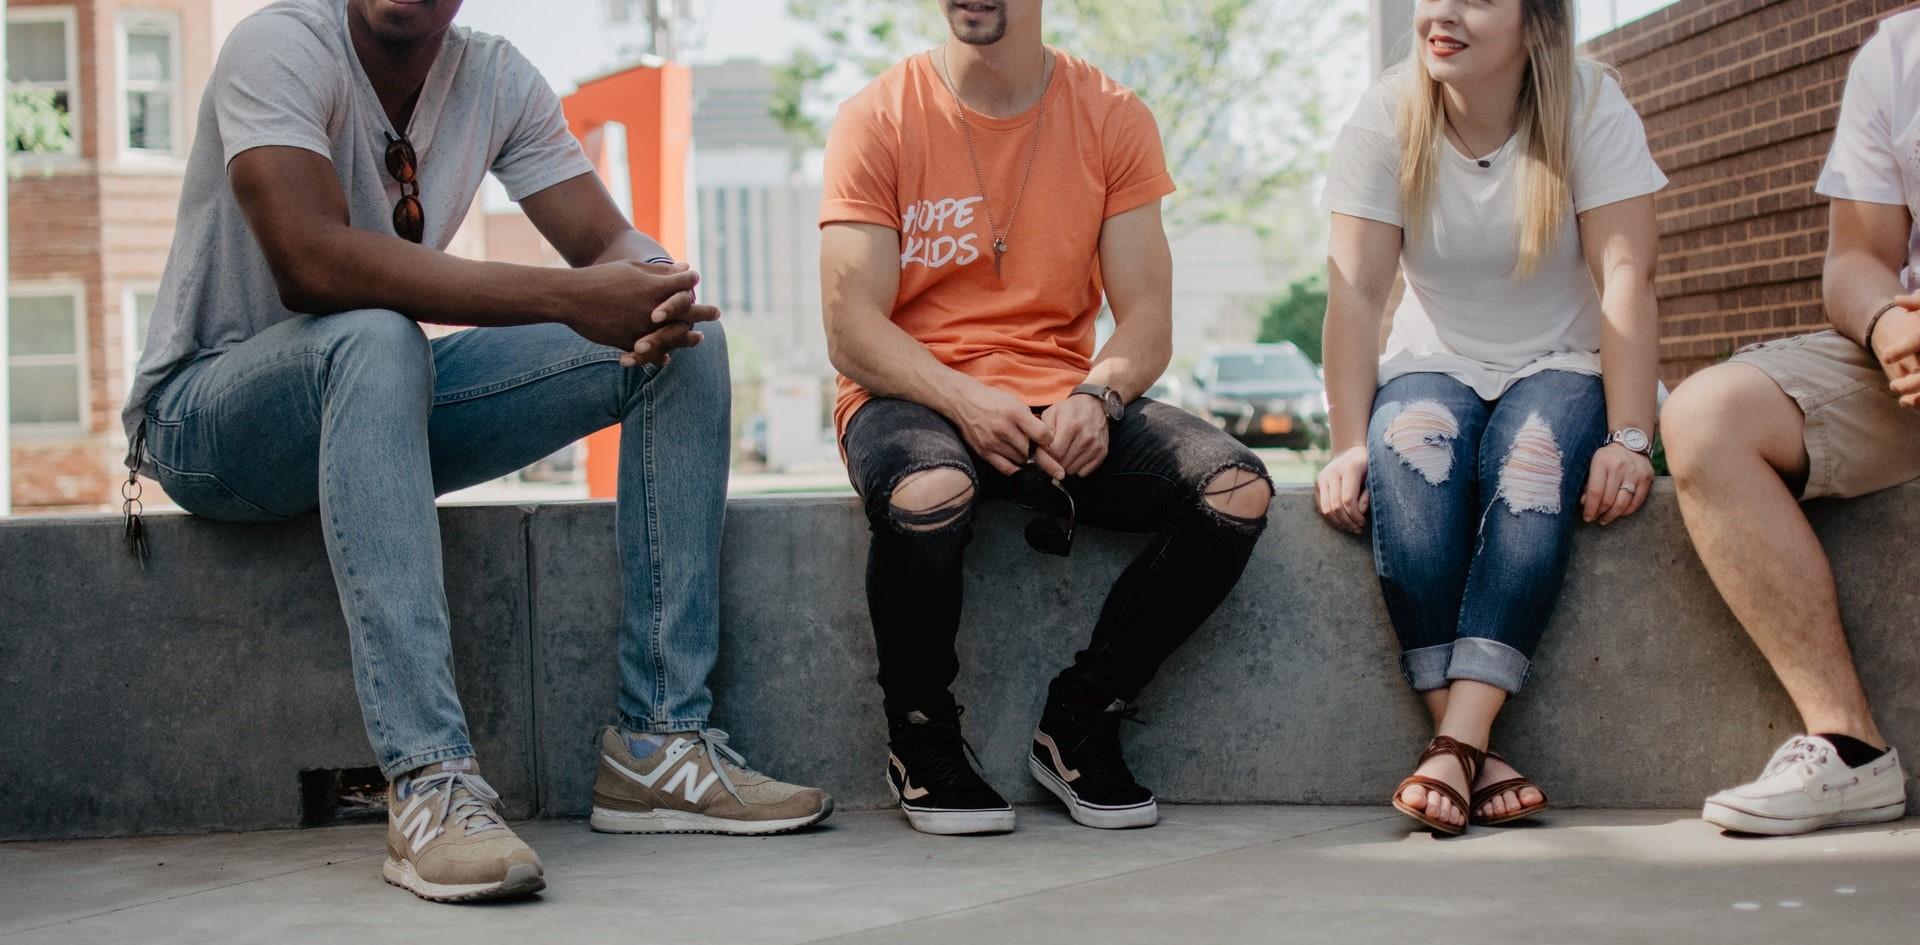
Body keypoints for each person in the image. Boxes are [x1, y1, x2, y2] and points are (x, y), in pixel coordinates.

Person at [122, 0, 828, 903]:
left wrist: (650, 287)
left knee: (683, 347)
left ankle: (659, 744)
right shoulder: (281, 44)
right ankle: (428, 782)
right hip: (207, 423)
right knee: (376, 335)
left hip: (378, 401)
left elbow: (605, 241)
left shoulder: (492, 77)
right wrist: (567, 298)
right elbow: (311, 263)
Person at [818, 0, 1273, 836]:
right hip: (911, 397)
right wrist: (960, 395)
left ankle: (1081, 716)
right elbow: (852, 327)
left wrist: (1099, 396)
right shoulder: (876, 117)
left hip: (1061, 397)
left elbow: (1146, 319)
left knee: (1233, 490)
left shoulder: (1112, 114)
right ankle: (920, 737)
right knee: (927, 491)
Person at [1315, 0, 1665, 834]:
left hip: (1565, 364)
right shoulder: (1387, 113)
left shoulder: (1589, 106)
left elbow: (1627, 279)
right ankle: (1470, 748)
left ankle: (1453, 744)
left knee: (1532, 464)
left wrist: (1629, 434)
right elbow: (1356, 293)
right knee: (1408, 456)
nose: (1440, 14)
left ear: (1535, 20)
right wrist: (1348, 442)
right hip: (1434, 361)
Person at [1659, 10, 1918, 836]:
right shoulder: (1900, 55)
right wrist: (1886, 323)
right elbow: (1855, 258)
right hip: (1909, 369)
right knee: (1707, 415)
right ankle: (1848, 747)